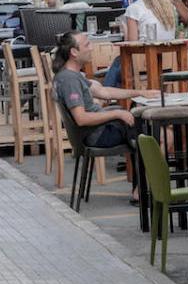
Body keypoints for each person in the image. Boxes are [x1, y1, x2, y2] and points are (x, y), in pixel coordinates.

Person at [52, 31, 158, 200]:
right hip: (97, 135)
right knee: (149, 133)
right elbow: (81, 118)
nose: (91, 48)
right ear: (74, 52)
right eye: (87, 45)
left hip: (96, 131)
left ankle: (143, 186)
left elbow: (104, 91)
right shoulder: (70, 80)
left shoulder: (70, 75)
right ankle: (141, 190)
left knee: (139, 121)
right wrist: (117, 113)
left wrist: (140, 92)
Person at [102, 0, 178, 87]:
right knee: (119, 65)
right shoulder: (167, 5)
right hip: (168, 60)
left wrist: (125, 29)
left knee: (119, 62)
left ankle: (106, 97)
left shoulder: (134, 9)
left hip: (145, 61)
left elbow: (132, 44)